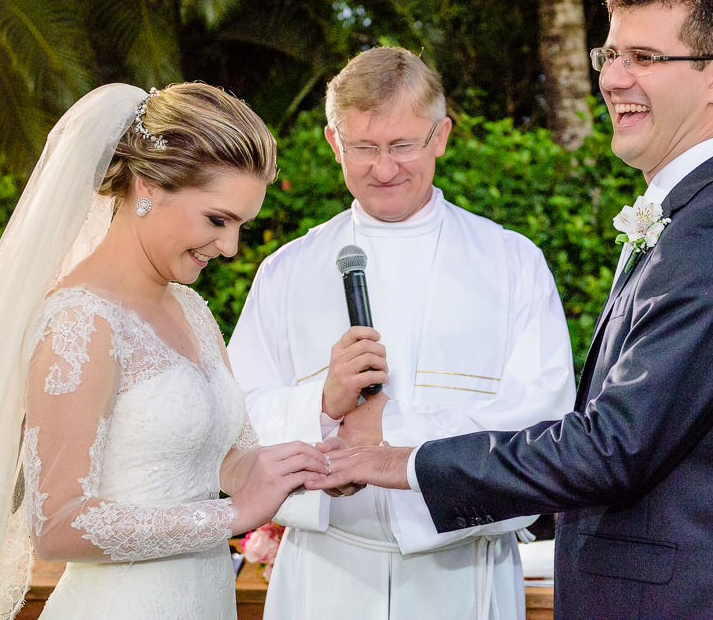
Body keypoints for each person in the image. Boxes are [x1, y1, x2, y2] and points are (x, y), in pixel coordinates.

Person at [310, 0, 713, 620]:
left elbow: (613, 447)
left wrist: (396, 460)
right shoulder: (699, 215)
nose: (612, 77)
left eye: (643, 56)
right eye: (610, 53)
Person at [0, 82, 328, 620]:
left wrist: (312, 464)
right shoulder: (81, 320)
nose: (229, 247)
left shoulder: (193, 310)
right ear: (148, 185)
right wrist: (227, 519)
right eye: (217, 220)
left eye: (240, 226)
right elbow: (59, 524)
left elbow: (230, 462)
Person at [227, 47, 576, 620]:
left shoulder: (511, 260)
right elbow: (234, 417)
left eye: (402, 146)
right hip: (326, 571)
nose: (383, 169)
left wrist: (390, 431)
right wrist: (319, 404)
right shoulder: (288, 269)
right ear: (334, 144)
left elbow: (542, 421)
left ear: (441, 135)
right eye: (363, 148)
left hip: (463, 568)